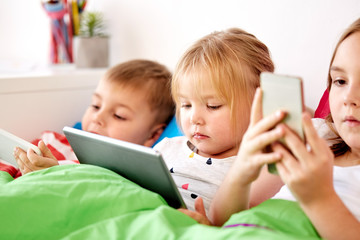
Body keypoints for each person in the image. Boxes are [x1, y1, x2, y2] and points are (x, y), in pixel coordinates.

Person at [183, 18, 360, 239]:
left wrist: (319, 199)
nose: (349, 98)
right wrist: (242, 170)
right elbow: (224, 219)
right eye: (340, 81)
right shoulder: (315, 134)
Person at [153, 28, 275, 214]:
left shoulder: (258, 168)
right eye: (186, 105)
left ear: (260, 103)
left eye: (213, 106)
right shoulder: (166, 148)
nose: (194, 118)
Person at [1, 59, 175, 177]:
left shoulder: (131, 177)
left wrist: (53, 176)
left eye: (118, 116)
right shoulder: (51, 142)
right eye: (95, 106)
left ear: (152, 136)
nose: (97, 117)